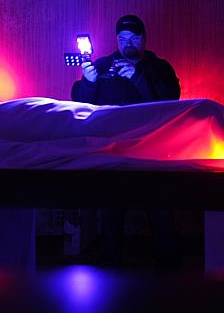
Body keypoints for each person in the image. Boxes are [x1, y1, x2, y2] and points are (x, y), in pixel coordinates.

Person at [71, 14, 182, 271]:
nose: (127, 43)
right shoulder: (102, 65)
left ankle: (170, 274)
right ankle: (110, 269)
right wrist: (88, 82)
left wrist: (137, 76)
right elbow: (80, 101)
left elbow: (170, 100)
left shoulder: (159, 68)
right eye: (122, 38)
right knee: (110, 212)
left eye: (133, 38)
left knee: (160, 212)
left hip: (152, 150)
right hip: (112, 149)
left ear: (144, 38)